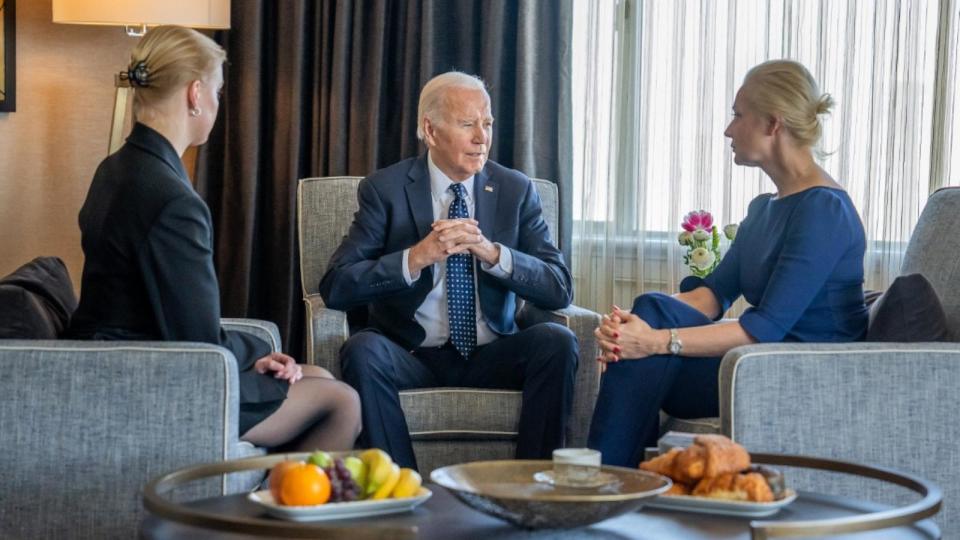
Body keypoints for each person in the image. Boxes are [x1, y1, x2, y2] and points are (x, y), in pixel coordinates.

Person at [66, 26, 361, 452]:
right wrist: (258, 347)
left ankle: (279, 507)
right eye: (218, 93)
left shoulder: (115, 168)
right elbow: (201, 344)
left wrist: (254, 354)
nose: (218, 104)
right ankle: (280, 515)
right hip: (154, 383)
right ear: (195, 93)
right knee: (341, 401)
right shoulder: (171, 200)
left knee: (320, 377)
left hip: (123, 364)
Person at [588, 60, 869, 467]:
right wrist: (636, 325)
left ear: (773, 124)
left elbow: (765, 330)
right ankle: (617, 486)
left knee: (648, 345)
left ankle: (606, 486)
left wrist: (655, 339)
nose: (728, 130)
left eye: (738, 115)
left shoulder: (824, 211)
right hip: (758, 363)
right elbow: (712, 295)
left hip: (805, 372)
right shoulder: (765, 209)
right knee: (649, 310)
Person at [318, 71, 578, 470]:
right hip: (412, 352)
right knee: (362, 350)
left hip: (494, 351)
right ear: (430, 130)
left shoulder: (515, 189)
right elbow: (337, 285)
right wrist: (417, 256)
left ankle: (531, 486)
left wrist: (493, 254)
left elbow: (559, 287)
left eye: (487, 123)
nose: (482, 137)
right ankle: (400, 490)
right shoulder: (385, 190)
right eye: (467, 123)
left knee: (557, 341)